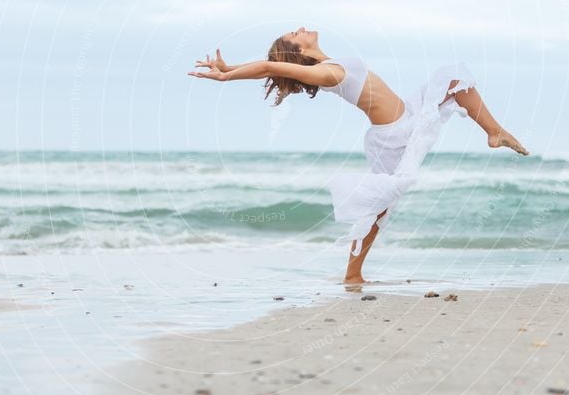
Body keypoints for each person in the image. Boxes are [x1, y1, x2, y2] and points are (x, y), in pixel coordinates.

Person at [189, 27, 529, 285]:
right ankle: (493, 132)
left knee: (381, 203)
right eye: (294, 33)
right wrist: (227, 74)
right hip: (397, 130)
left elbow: (270, 66)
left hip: (396, 122)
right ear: (296, 48)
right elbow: (268, 66)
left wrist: (232, 68)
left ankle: (353, 274)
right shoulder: (328, 72)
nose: (300, 28)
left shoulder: (329, 65)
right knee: (453, 79)